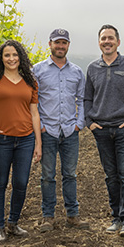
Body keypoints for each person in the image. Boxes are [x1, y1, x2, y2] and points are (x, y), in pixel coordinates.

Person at [0, 39, 42, 242]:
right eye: (7, 55)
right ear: (1, 58)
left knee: (20, 183)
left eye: (15, 55)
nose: (11, 58)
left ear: (20, 57)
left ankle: (13, 223)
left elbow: (35, 114)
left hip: (25, 140)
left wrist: (38, 143)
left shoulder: (30, 82)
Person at [84, 24, 124, 237]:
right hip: (102, 130)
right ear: (99, 42)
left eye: (110, 38)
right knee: (111, 176)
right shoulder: (92, 68)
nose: (107, 41)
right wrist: (90, 122)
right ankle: (116, 217)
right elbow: (88, 97)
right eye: (103, 38)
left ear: (118, 41)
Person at [33, 28, 89, 232]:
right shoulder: (37, 70)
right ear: (50, 44)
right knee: (47, 175)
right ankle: (48, 217)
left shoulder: (76, 72)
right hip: (47, 131)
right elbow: (33, 102)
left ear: (68, 45)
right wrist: (40, 127)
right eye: (57, 42)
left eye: (64, 43)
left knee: (70, 174)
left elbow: (81, 100)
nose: (60, 46)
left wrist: (78, 123)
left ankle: (72, 216)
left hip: (69, 131)